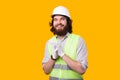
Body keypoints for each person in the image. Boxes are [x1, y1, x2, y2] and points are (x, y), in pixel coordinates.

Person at [42, 6, 88, 80]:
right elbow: (46, 71)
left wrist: (63, 55)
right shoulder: (49, 42)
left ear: (68, 21)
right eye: (56, 20)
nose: (59, 22)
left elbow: (82, 70)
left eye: (62, 19)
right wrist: (53, 58)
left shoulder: (78, 40)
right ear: (53, 23)